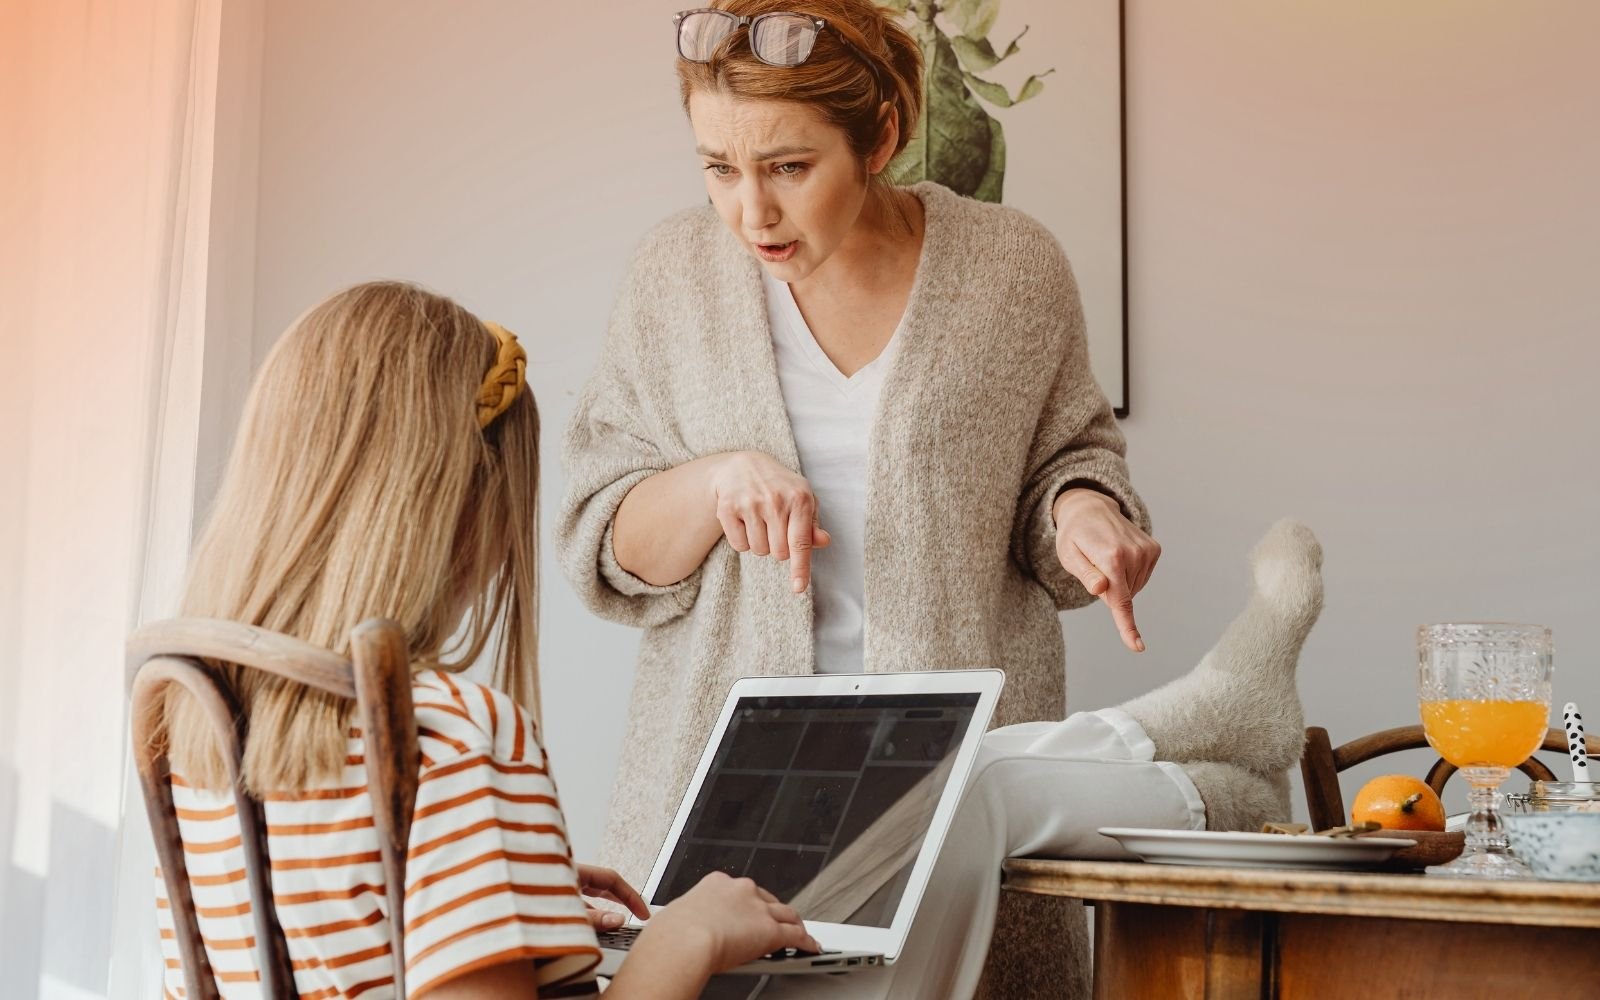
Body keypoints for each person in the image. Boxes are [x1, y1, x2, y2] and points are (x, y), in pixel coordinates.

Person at [555, 0, 1161, 991]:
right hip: (721, 811)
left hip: (956, 799)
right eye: (718, 168)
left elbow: (1067, 460)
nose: (751, 211)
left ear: (879, 137)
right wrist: (714, 483)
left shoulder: (1011, 269)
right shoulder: (672, 278)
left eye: (789, 167)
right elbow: (604, 544)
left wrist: (1083, 510)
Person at [149, 282, 821, 1000]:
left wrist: (500, 890)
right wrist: (687, 937)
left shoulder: (198, 711)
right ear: (469, 501)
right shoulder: (444, 736)